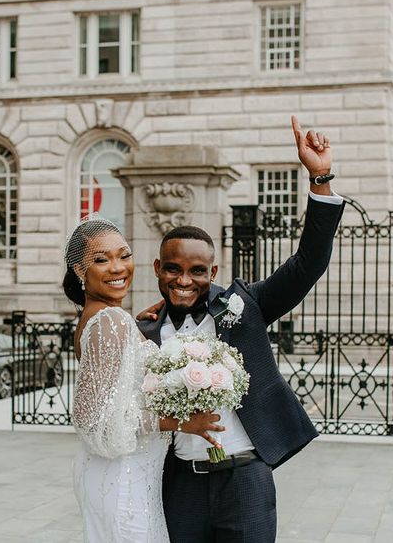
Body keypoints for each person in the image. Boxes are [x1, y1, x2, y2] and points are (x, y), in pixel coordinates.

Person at [137, 116, 345, 542]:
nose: (183, 280)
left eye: (197, 271)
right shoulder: (144, 330)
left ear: (212, 270)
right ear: (158, 268)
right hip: (181, 484)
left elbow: (308, 264)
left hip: (246, 476)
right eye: (172, 269)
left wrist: (319, 177)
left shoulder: (243, 307)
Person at [64, 218, 224, 542]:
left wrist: (135, 328)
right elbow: (93, 421)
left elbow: (118, 385)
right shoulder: (110, 321)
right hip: (122, 479)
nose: (117, 267)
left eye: (123, 255)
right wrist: (181, 422)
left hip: (128, 476)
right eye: (101, 259)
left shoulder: (105, 319)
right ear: (80, 271)